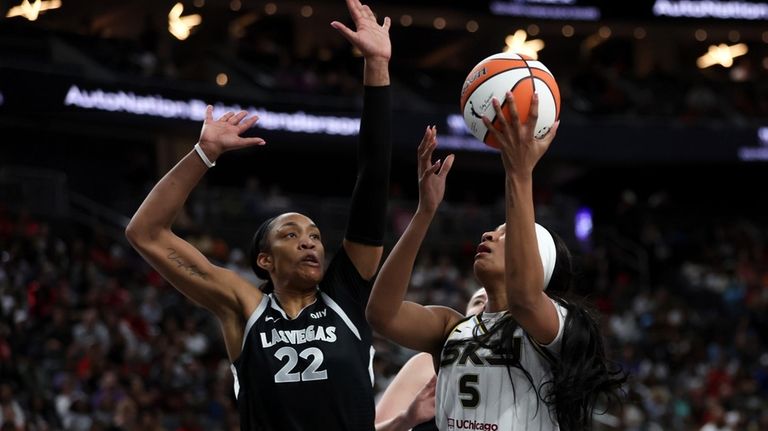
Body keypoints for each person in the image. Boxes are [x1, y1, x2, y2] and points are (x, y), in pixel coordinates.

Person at [125, 1, 392, 429]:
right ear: (264, 261)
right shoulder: (245, 308)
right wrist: (203, 154)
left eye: (314, 234)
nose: (309, 240)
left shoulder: (346, 295)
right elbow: (146, 233)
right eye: (290, 234)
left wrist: (377, 67)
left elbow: (373, 182)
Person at [366, 95, 626, 431]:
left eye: (507, 235)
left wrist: (519, 173)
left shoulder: (559, 323)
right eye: (496, 230)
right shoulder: (452, 327)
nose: (490, 234)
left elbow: (524, 298)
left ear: (539, 264)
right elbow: (381, 314)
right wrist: (424, 212)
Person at [374, 289, 488, 431]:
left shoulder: (521, 366)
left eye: (495, 298)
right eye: (479, 301)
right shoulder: (426, 365)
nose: (485, 306)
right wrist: (406, 419)